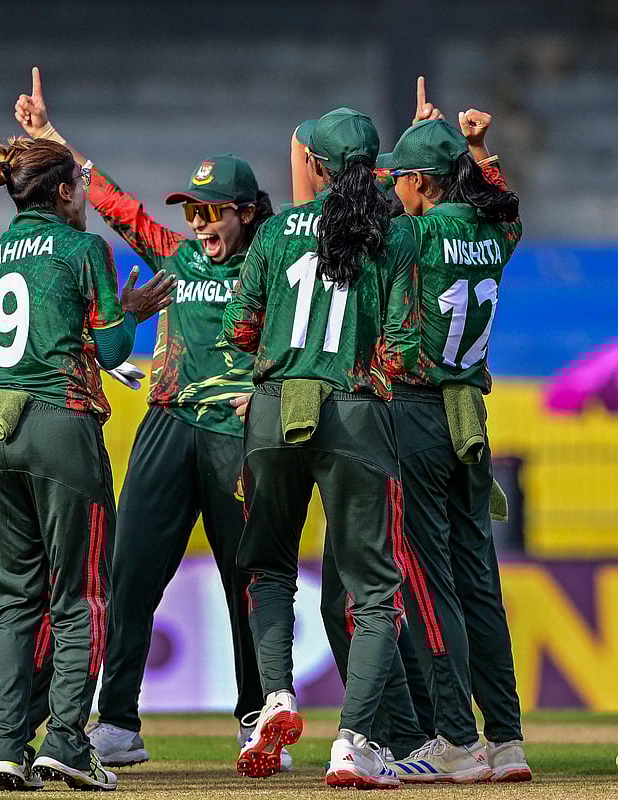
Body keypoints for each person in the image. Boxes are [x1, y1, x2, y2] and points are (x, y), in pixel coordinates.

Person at [13, 66, 277, 768]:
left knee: (246, 579)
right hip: (166, 424)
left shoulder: (277, 264)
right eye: (191, 213)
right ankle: (119, 722)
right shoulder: (178, 256)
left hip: (238, 432)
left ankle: (258, 720)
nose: (199, 225)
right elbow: (115, 205)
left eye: (212, 212)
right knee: (128, 572)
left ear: (247, 211)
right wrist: (50, 138)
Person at [222, 107, 420, 789]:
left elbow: (239, 327)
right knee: (372, 593)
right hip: (355, 411)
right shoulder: (391, 237)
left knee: (270, 568)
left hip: (274, 410)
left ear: (315, 166)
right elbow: (405, 346)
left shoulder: (275, 233)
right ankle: (354, 743)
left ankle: (274, 700)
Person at [0, 136, 174, 791]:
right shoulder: (83, 248)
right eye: (79, 188)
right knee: (81, 594)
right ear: (62, 192)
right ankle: (64, 741)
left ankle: (4, 745)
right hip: (61, 420)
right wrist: (135, 313)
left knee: (8, 600)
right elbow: (112, 342)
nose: (85, 198)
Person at [378, 103, 530, 783]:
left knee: (427, 580)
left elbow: (368, 230)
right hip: (471, 416)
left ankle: (456, 740)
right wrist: (475, 152)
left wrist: (443, 155)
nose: (393, 189)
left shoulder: (416, 236)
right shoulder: (492, 236)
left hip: (417, 413)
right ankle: (506, 741)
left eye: (400, 178)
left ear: (418, 181)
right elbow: (505, 214)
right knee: (479, 584)